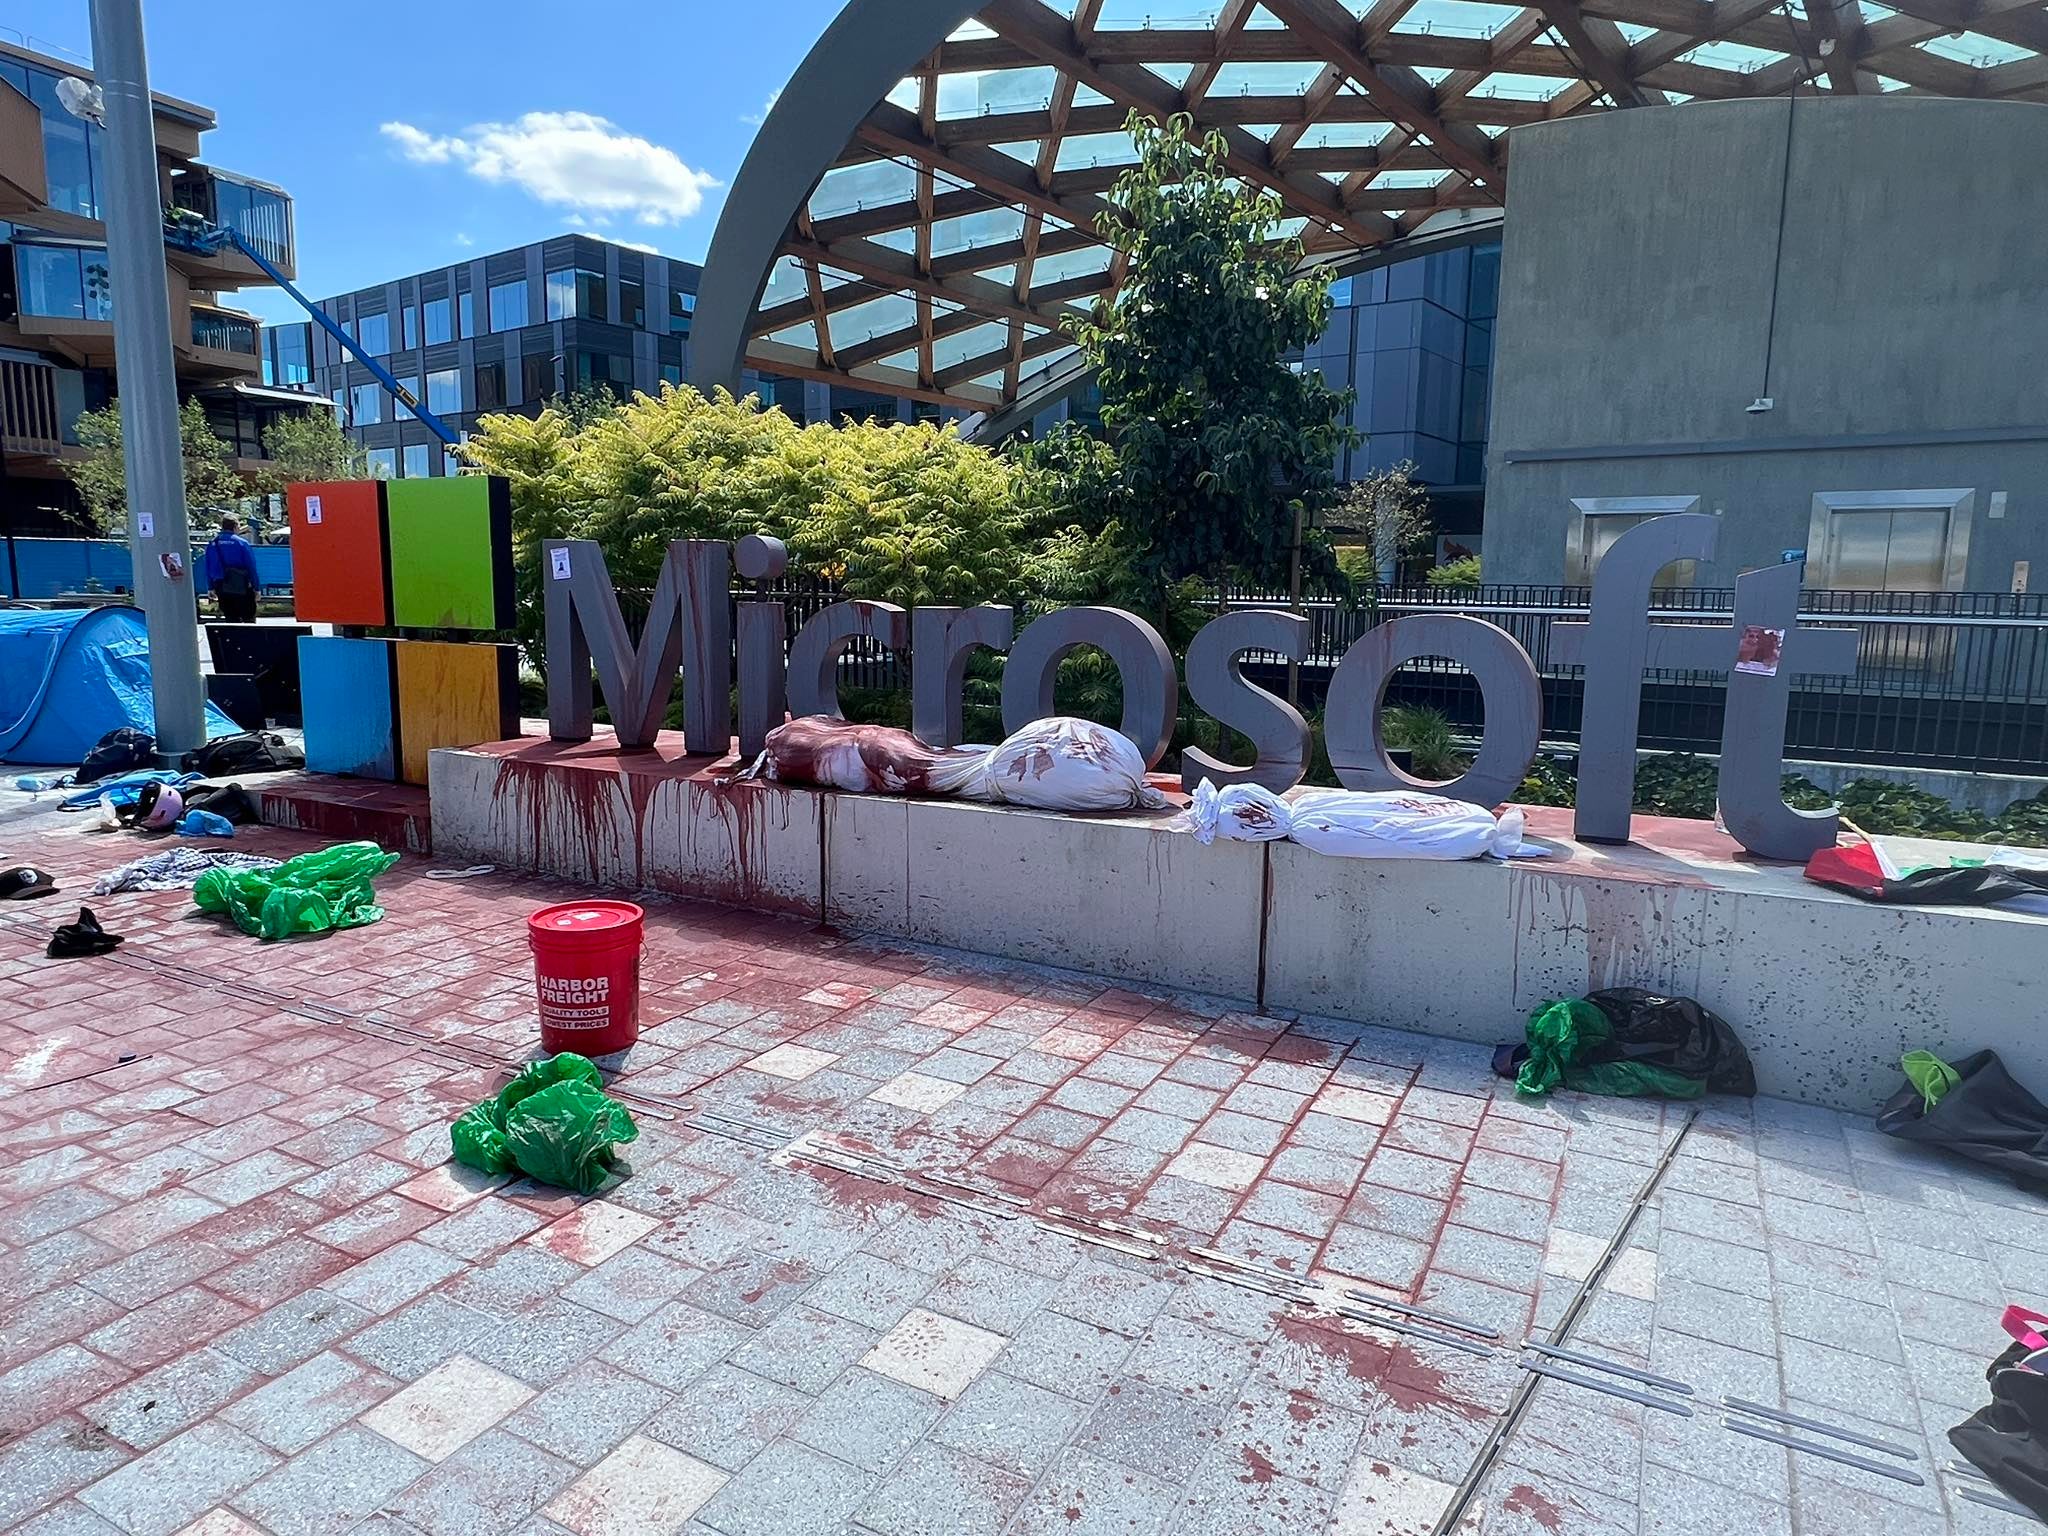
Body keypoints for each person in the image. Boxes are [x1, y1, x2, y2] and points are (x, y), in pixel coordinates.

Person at [202, 514, 261, 623]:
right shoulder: (241, 543)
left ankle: (233, 639)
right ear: (235, 527)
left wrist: (210, 587)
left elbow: (208, 567)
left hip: (222, 586)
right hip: (242, 585)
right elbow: (251, 567)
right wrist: (256, 588)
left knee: (231, 619)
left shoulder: (213, 543)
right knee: (248, 619)